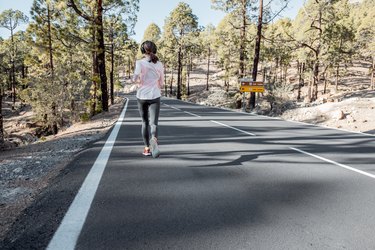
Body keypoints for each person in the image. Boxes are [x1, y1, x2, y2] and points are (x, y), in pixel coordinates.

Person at [132, 40, 164, 158]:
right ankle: (154, 138)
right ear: (154, 49)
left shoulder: (139, 63)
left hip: (142, 96)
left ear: (142, 50)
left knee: (144, 122)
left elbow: (134, 79)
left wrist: (136, 79)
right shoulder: (159, 64)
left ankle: (146, 148)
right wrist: (157, 85)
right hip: (155, 95)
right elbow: (161, 82)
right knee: (154, 123)